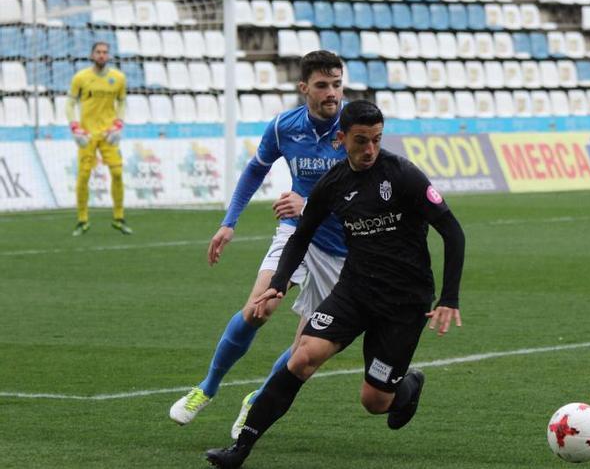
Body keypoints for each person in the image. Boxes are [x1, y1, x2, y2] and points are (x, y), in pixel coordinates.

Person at [204, 100, 466, 468]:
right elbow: (301, 236)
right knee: (303, 357)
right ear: (341, 139)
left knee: (374, 402)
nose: (370, 149)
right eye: (361, 140)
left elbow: (453, 231)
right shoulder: (333, 183)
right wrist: (279, 282)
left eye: (376, 139)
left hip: (403, 304)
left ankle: (407, 385)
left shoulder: (403, 174)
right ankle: (241, 448)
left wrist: (449, 297)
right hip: (354, 292)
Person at [169, 51, 350, 439]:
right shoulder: (284, 126)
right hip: (297, 234)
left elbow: (367, 194)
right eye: (322, 85)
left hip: (342, 250)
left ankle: (257, 397)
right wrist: (229, 222)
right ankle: (207, 388)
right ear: (304, 88)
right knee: (259, 308)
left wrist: (310, 204)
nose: (332, 92)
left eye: (337, 84)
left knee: (305, 353)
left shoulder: (354, 128)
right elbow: (255, 169)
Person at [67, 41, 130, 235]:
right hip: (87, 134)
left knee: (118, 173)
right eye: (98, 52)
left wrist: (119, 124)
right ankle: (82, 220)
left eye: (105, 52)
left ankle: (119, 218)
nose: (102, 55)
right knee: (83, 176)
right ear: (92, 55)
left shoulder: (118, 78)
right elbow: (70, 104)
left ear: (109, 56)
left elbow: (122, 102)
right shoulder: (81, 78)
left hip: (108, 134)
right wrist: (75, 128)